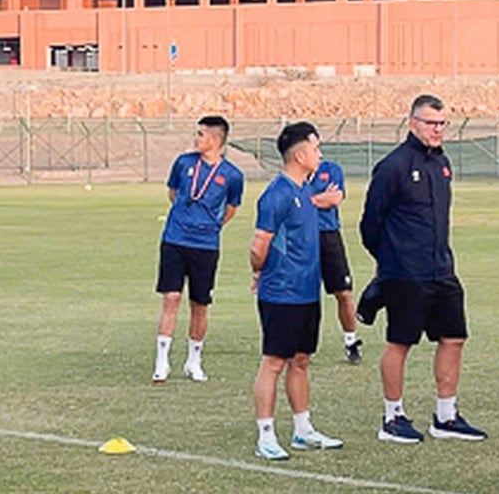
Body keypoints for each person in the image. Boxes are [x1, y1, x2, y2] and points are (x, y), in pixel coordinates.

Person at [361, 94, 485, 444]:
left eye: (443, 123)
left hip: (442, 269)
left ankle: (445, 416)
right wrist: (391, 262)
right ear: (412, 122)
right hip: (405, 273)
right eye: (431, 123)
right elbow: (370, 224)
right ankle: (393, 417)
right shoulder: (393, 166)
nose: (438, 129)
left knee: (454, 338)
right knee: (400, 342)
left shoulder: (442, 163)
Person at [249, 122, 344, 461]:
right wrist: (259, 272)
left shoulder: (304, 191)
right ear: (301, 155)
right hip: (281, 293)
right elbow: (259, 244)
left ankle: (303, 431)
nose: (320, 155)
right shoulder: (276, 194)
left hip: (307, 292)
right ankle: (266, 436)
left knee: (301, 361)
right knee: (274, 362)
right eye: (316, 149)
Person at [152, 116, 244, 384]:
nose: (196, 139)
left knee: (200, 305)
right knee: (171, 298)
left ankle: (194, 361)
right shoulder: (183, 162)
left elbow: (231, 208)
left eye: (201, 135)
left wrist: (212, 226)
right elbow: (173, 193)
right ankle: (162, 361)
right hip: (174, 239)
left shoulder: (232, 175)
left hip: (205, 246)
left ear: (215, 140)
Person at [310, 152, 364, 364]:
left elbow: (335, 198)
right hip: (302, 236)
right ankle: (306, 344)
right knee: (306, 293)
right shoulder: (294, 174)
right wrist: (319, 199)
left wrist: (307, 201)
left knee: (343, 292)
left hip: (329, 237)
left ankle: (351, 341)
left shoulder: (331, 169)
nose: (318, 152)